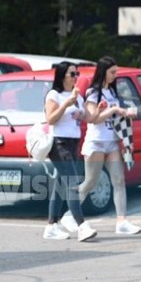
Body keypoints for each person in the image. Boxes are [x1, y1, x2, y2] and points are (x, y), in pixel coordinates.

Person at [76, 56, 141, 235]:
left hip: (112, 141)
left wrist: (126, 114)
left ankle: (122, 221)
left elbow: (116, 118)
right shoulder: (93, 93)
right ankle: (69, 213)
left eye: (116, 72)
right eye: (112, 72)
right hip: (96, 142)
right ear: (103, 72)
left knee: (119, 180)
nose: (115, 75)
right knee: (91, 182)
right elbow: (93, 118)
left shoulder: (112, 92)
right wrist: (113, 110)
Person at [43, 61, 97, 242]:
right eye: (72, 74)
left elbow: (87, 117)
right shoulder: (55, 95)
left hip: (73, 143)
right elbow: (50, 119)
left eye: (77, 74)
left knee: (60, 185)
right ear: (62, 76)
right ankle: (81, 225)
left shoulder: (77, 96)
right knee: (72, 183)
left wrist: (85, 113)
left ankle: (51, 225)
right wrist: (66, 104)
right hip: (59, 144)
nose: (76, 77)